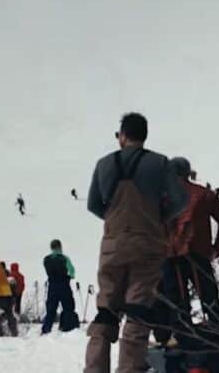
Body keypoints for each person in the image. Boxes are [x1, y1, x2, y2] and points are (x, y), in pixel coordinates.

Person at [84, 112, 188, 373]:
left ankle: (95, 368)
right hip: (148, 244)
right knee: (138, 309)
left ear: (123, 136)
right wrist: (157, 219)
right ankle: (129, 369)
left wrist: (115, 222)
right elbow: (180, 201)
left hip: (113, 245)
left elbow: (93, 204)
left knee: (106, 309)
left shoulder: (104, 164)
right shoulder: (160, 163)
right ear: (144, 135)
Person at [160, 157, 219, 340]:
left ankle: (183, 341)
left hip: (169, 256)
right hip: (198, 254)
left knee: (177, 302)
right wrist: (217, 249)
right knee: (209, 299)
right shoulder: (204, 194)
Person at [42, 239, 77, 334]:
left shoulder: (46, 259)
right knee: (68, 307)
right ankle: (67, 327)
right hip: (64, 285)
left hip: (52, 286)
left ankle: (46, 329)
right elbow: (72, 271)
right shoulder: (64, 258)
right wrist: (70, 276)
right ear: (60, 247)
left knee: (51, 309)